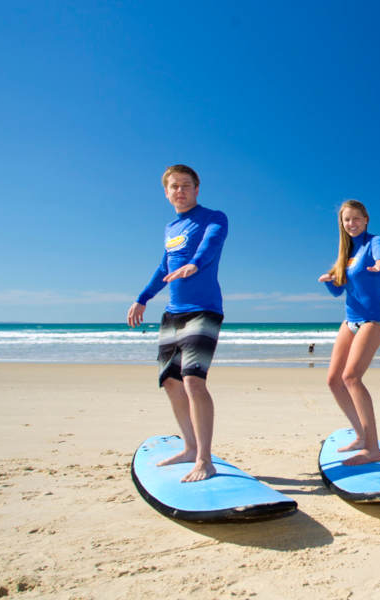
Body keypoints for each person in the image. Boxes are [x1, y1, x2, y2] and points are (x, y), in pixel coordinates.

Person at [127, 164, 228, 483]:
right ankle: (189, 446)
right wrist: (143, 297)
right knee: (170, 381)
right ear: (167, 192)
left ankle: (204, 459)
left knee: (193, 380)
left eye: (186, 185)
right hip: (173, 312)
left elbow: (209, 247)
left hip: (204, 310)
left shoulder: (214, 217)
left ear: (197, 189)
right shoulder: (171, 227)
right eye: (174, 186)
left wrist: (193, 265)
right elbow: (162, 267)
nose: (180, 190)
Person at [318, 200, 380, 466]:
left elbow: (379, 250)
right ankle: (361, 436)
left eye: (356, 219)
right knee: (333, 380)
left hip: (374, 320)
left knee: (351, 377)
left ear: (366, 219)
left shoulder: (374, 242)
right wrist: (329, 282)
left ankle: (373, 449)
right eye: (346, 220)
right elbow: (339, 291)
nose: (351, 224)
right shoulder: (345, 252)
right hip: (350, 320)